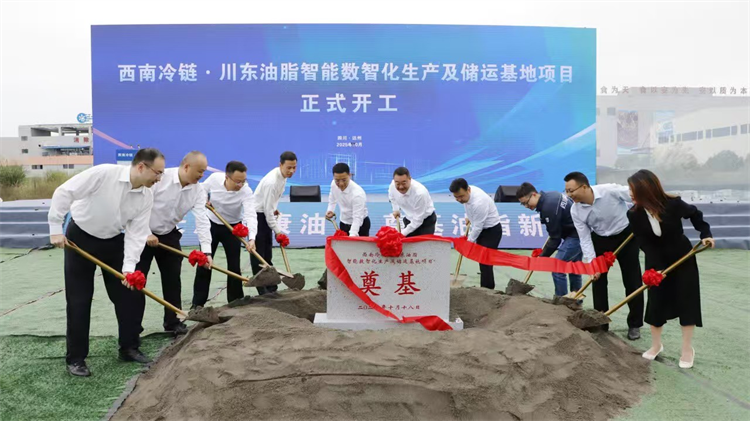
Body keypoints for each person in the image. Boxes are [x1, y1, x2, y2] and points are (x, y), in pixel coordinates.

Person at [48, 148, 165, 377]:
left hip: (112, 240)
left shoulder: (147, 195)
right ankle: (76, 359)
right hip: (80, 237)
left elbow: (136, 233)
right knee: (79, 300)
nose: (159, 178)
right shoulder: (103, 174)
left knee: (129, 294)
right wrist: (55, 228)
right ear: (141, 166)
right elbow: (64, 192)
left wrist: (129, 269)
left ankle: (129, 348)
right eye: (157, 173)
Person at [626, 169, 714, 368]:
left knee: (687, 300)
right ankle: (656, 345)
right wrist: (657, 268)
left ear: (645, 189)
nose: (630, 193)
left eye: (633, 189)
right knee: (656, 302)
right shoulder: (633, 214)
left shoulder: (673, 204)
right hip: (655, 261)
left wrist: (705, 235)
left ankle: (687, 349)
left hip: (682, 257)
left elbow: (695, 214)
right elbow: (643, 241)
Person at [136, 151, 212, 335]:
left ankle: (173, 322)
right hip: (142, 233)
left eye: (204, 172)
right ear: (186, 167)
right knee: (137, 280)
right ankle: (133, 327)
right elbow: (138, 207)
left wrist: (206, 252)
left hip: (168, 234)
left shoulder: (198, 190)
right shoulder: (160, 179)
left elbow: (202, 220)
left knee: (173, 280)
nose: (202, 175)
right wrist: (146, 233)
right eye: (199, 171)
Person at [564, 171, 643, 340]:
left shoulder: (609, 191)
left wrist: (641, 205)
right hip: (600, 239)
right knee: (598, 281)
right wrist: (592, 263)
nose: (569, 195)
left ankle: (635, 324)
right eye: (567, 191)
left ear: (584, 187)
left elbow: (634, 196)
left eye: (571, 191)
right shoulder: (575, 210)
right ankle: (601, 322)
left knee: (632, 280)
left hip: (626, 236)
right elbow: (585, 238)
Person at [192, 161, 257, 307]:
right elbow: (202, 189)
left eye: (244, 181)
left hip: (233, 228)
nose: (241, 185)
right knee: (204, 263)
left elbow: (250, 215)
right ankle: (197, 304)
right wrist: (204, 199)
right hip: (212, 224)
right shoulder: (215, 179)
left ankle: (235, 302)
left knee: (234, 266)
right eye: (238, 181)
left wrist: (252, 238)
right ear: (227, 177)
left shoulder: (246, 190)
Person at [516, 182, 582, 297]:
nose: (526, 206)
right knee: (574, 268)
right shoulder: (550, 195)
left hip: (577, 235)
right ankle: (575, 300)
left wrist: (541, 258)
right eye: (523, 204)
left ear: (534, 195)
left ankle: (561, 301)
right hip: (577, 231)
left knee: (557, 268)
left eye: (526, 203)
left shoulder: (549, 208)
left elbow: (555, 240)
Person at [251, 151, 297, 295]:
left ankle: (271, 287)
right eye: (289, 167)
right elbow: (267, 211)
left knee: (267, 254)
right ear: (280, 165)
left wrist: (273, 208)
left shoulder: (282, 177)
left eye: (294, 167)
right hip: (258, 216)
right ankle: (262, 290)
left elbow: (270, 205)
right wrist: (278, 232)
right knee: (259, 255)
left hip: (265, 213)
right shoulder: (272, 182)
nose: (292, 171)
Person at [449, 178, 503, 289]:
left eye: (461, 196)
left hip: (491, 231)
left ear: (468, 190)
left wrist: (468, 243)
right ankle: (485, 287)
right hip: (481, 228)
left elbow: (478, 227)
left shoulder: (479, 202)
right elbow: (468, 205)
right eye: (456, 197)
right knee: (481, 260)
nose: (459, 199)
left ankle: (488, 289)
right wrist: (468, 216)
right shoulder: (468, 194)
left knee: (486, 261)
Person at [388, 167, 436, 237]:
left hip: (425, 221)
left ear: (410, 179)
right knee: (406, 243)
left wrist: (402, 234)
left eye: (404, 183)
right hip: (409, 218)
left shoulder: (420, 193)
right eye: (397, 183)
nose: (401, 187)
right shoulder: (392, 186)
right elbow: (392, 198)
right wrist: (396, 209)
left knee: (423, 244)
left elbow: (418, 220)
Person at [325, 163, 370, 237]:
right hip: (344, 222)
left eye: (344, 180)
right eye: (337, 180)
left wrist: (352, 235)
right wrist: (330, 210)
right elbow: (332, 199)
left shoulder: (357, 194)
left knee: (357, 244)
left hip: (360, 225)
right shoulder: (333, 184)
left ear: (349, 175)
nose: (341, 184)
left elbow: (357, 218)